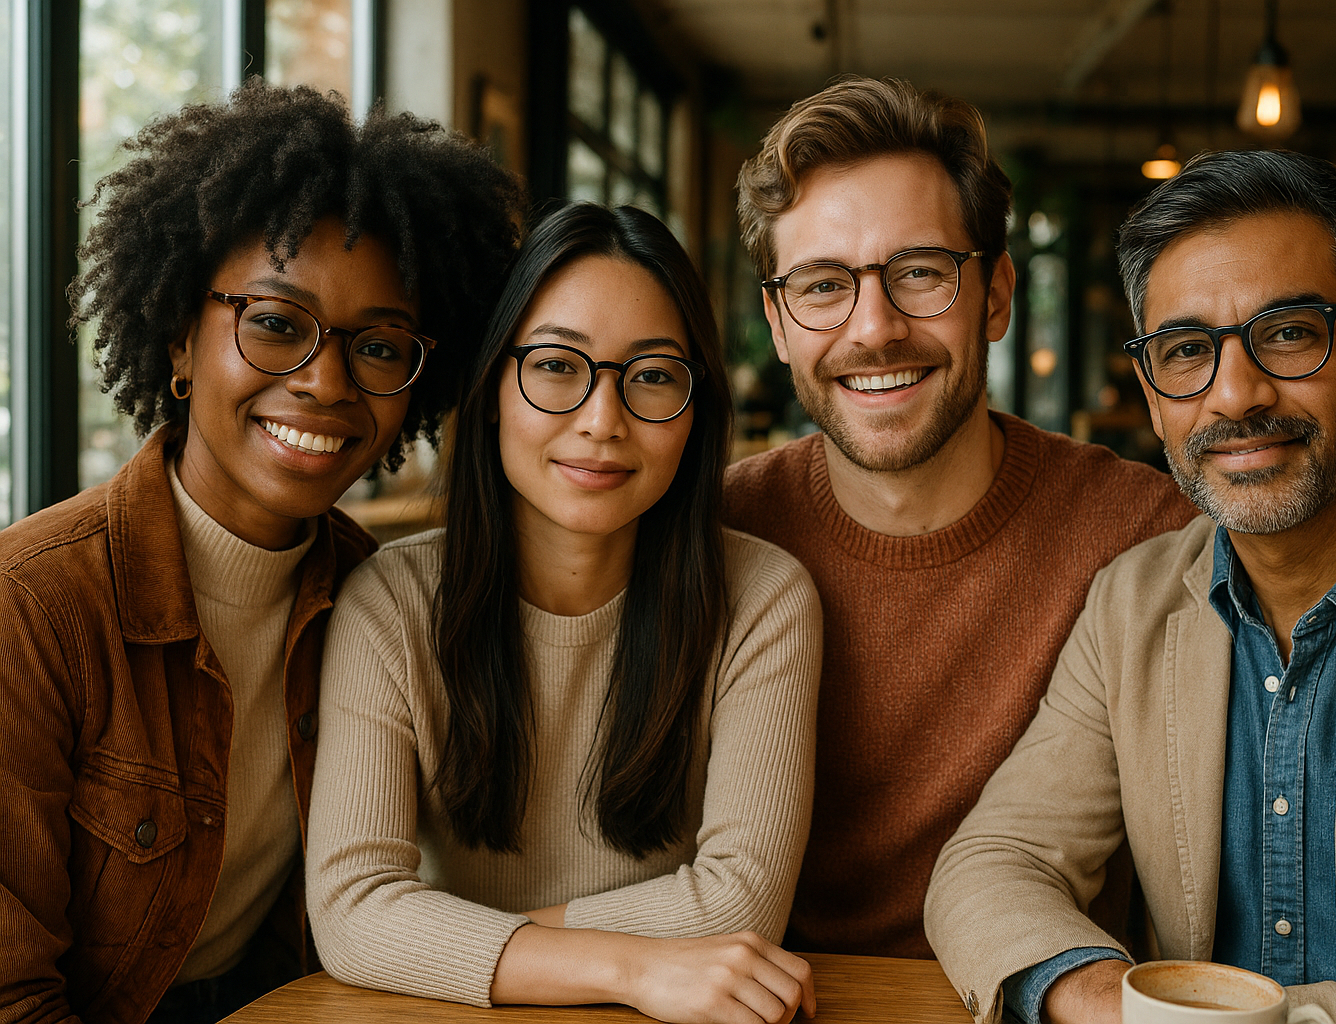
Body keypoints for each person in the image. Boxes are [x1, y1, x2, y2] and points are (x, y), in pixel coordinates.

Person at [926, 149, 1336, 1024]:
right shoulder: (1131, 604)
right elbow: (994, 861)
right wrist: (1106, 1002)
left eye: (1289, 332)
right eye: (1186, 351)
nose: (1235, 394)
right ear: (1151, 393)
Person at [0, 82, 521, 1024]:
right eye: (276, 324)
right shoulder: (31, 607)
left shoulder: (383, 596)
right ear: (178, 342)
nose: (325, 382)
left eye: (379, 346)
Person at [305, 203, 822, 1024]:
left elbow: (740, 906)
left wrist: (443, 940)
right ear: (491, 389)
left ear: (696, 411)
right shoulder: (390, 605)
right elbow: (352, 911)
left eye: (653, 375)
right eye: (555, 366)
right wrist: (632, 967)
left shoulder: (763, 598)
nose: (601, 422)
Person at [726, 76, 1196, 960]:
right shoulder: (714, 536)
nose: (875, 328)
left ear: (997, 296)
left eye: (920, 274)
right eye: (824, 284)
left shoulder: (1146, 535)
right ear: (777, 322)